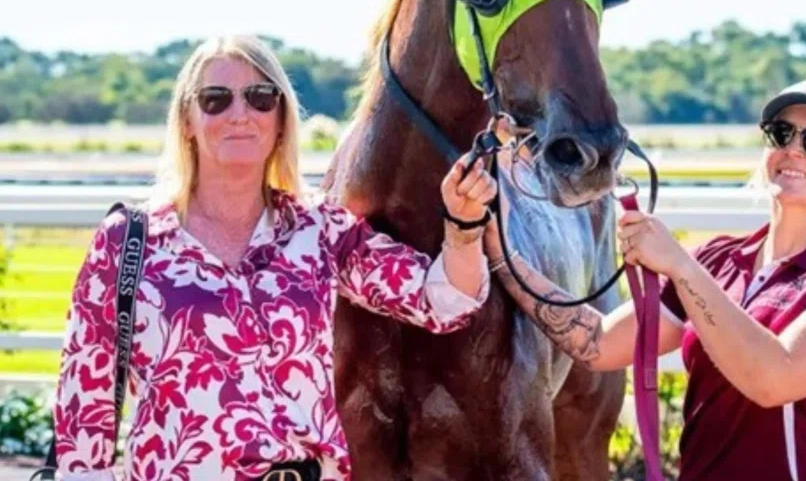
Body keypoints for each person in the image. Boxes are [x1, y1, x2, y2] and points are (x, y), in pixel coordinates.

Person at [52, 35, 496, 481]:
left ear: (281, 119)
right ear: (186, 119)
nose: (240, 114)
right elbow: (82, 412)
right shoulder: (127, 243)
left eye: (261, 98)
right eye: (215, 100)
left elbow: (441, 299)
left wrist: (463, 224)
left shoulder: (320, 228)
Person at [484, 72, 806, 480]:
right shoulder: (719, 260)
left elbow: (774, 379)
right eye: (781, 133)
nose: (794, 150)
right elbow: (599, 345)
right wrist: (503, 253)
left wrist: (681, 267)